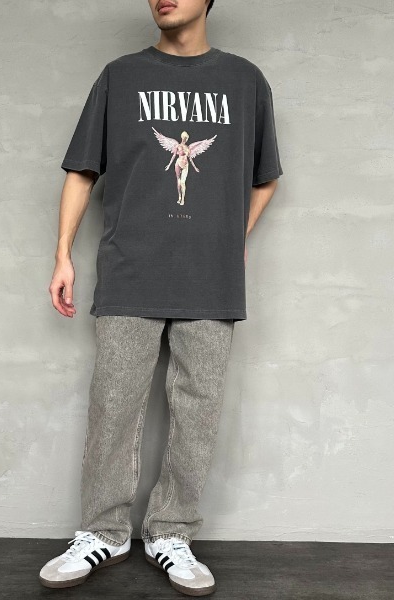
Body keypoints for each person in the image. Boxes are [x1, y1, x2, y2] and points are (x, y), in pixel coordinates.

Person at [39, 0, 283, 595]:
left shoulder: (245, 81)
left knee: (198, 411)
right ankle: (103, 532)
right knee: (113, 404)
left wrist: (230, 239)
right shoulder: (120, 76)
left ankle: (171, 532)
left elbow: (266, 177)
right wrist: (63, 254)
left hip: (211, 277)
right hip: (130, 269)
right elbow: (82, 171)